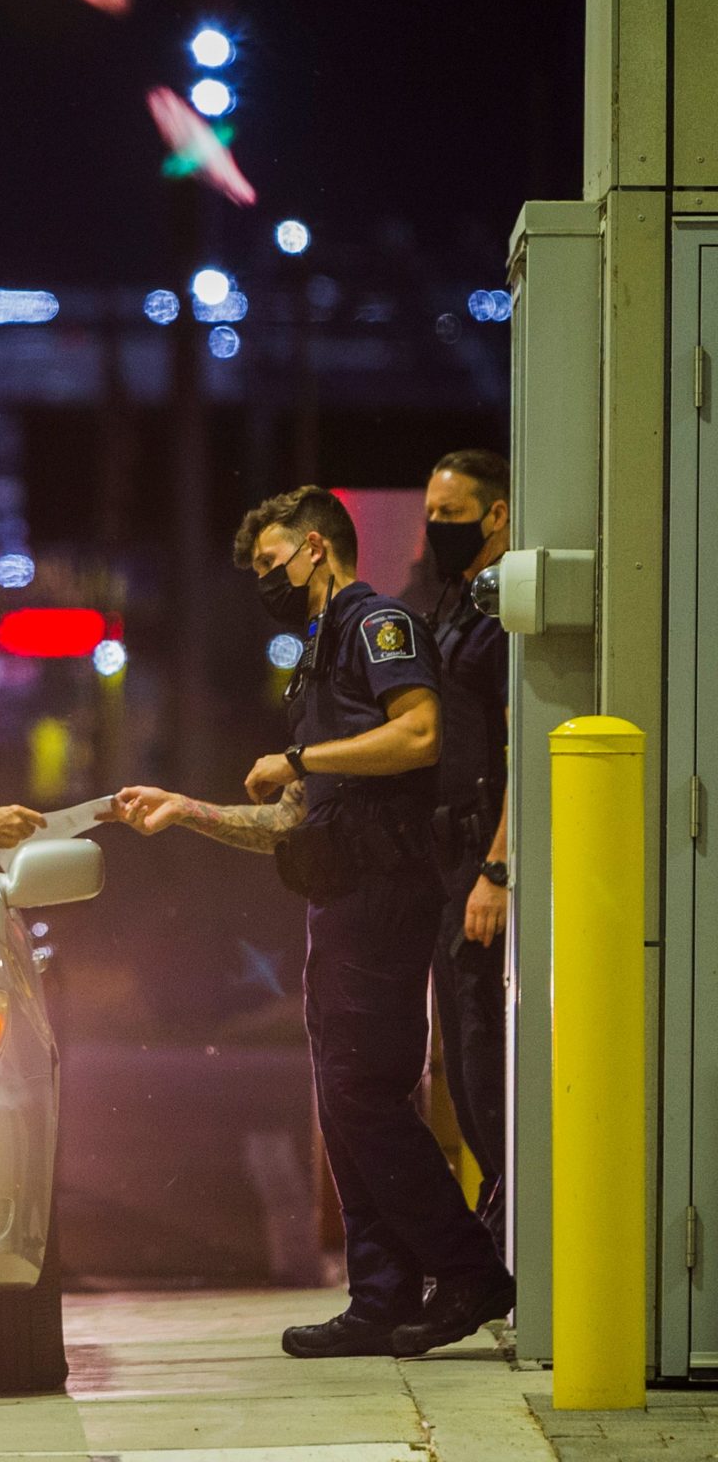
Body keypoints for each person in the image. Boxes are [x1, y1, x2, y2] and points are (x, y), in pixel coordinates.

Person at [107, 486, 513, 1358]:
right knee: (341, 1101)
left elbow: (421, 735)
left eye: (272, 563)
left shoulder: (377, 628)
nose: (267, 581)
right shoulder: (320, 656)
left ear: (318, 549)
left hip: (385, 894)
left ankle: (467, 1268)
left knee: (365, 1097)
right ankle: (380, 1296)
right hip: (338, 901)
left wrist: (299, 755)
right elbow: (296, 818)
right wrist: (187, 811)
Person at [422, 448, 511, 1250]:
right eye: (432, 514)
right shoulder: (456, 601)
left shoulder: (504, 615)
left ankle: (513, 1217)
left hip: (482, 858)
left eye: (452, 515)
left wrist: (497, 868)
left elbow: (523, 750)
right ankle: (500, 1213)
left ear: (498, 514)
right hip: (451, 859)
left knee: (483, 1047)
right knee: (460, 1043)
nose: (435, 528)